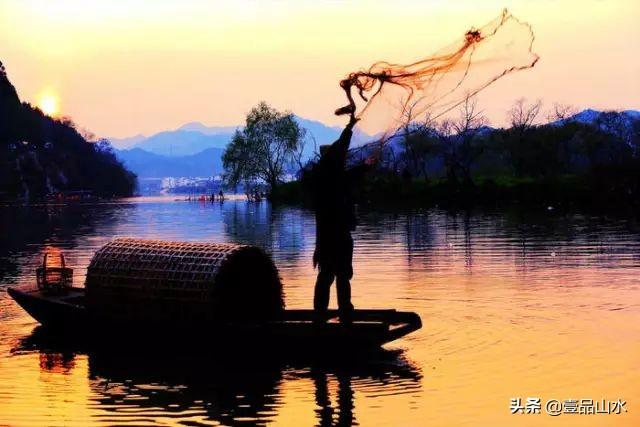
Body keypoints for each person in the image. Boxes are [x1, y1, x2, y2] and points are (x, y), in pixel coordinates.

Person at [308, 110, 364, 322]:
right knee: (329, 274)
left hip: (337, 235)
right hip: (331, 236)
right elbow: (341, 150)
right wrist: (349, 128)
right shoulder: (324, 177)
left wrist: (365, 167)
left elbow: (351, 174)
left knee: (340, 274)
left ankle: (341, 313)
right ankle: (324, 315)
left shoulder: (334, 178)